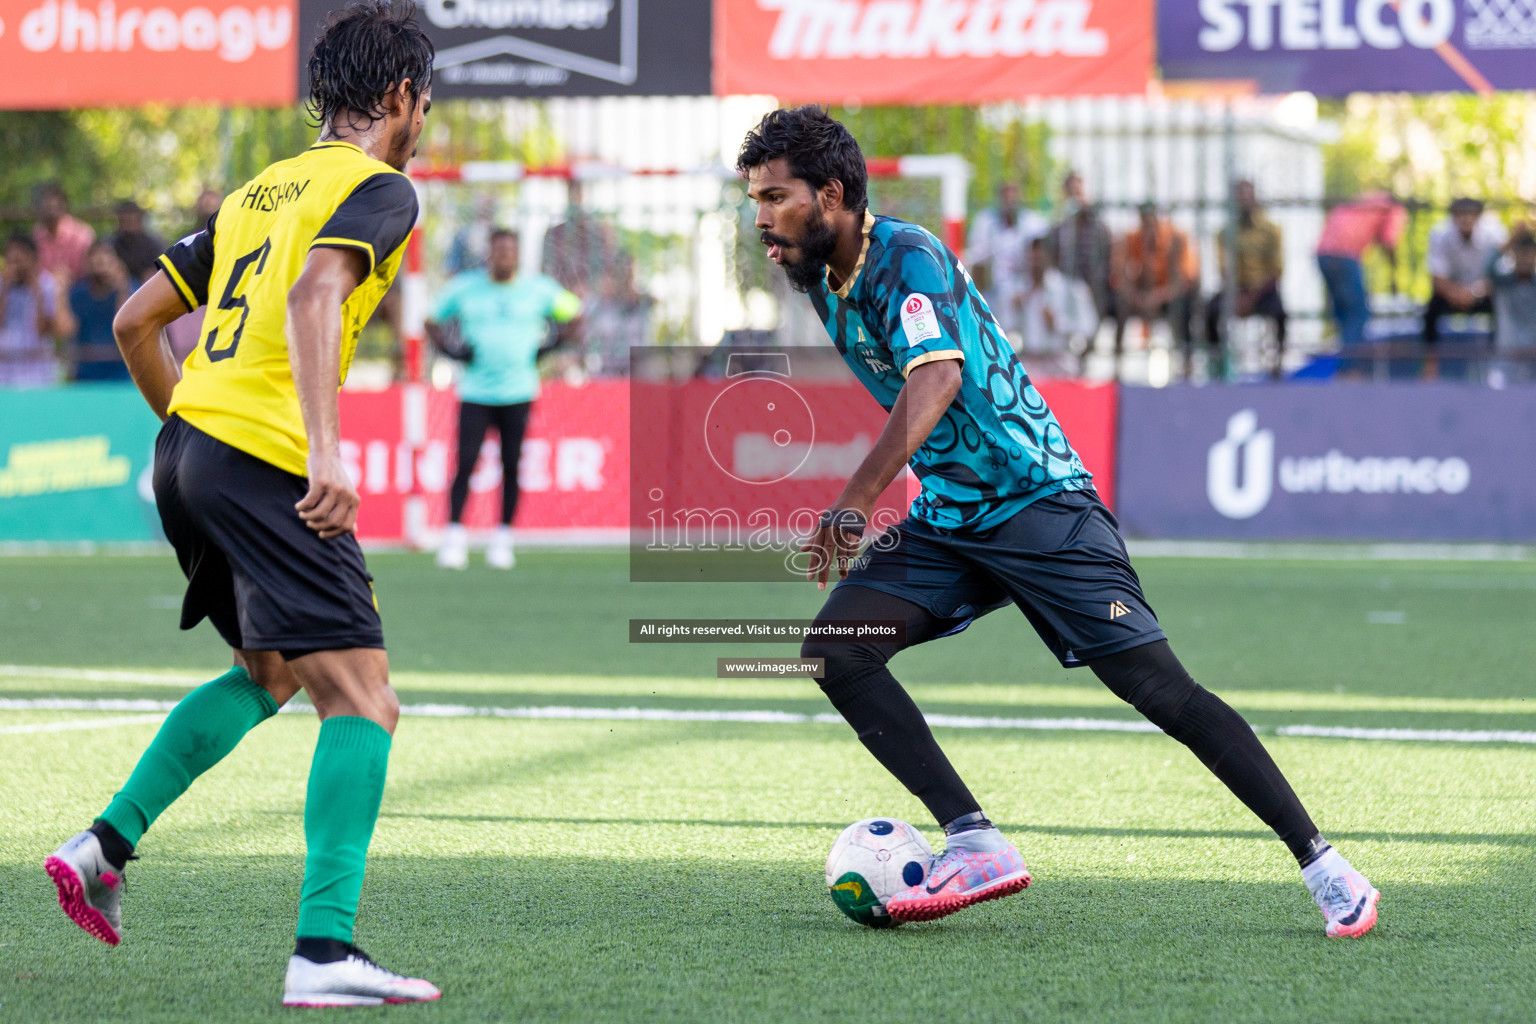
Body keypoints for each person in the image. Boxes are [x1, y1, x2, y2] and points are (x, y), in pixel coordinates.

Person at [740, 105, 1379, 938]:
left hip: (1042, 507)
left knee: (1159, 691)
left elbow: (934, 380)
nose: (760, 218)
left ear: (832, 194)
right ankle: (976, 842)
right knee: (836, 649)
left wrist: (857, 500)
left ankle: (1327, 866)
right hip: (954, 520)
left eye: (775, 197)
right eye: (753, 199)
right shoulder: (824, 281)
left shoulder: (909, 255)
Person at [42, 1, 442, 1007]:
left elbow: (140, 322)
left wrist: (197, 434)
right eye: (425, 101)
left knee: (269, 673)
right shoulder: (382, 186)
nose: (424, 118)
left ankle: (104, 844)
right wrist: (325, 453)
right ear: (400, 97)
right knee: (364, 697)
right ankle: (323, 950)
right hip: (265, 459)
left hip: (187, 450)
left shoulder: (261, 189)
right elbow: (315, 296)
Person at [428, 228, 582, 570]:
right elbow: (431, 318)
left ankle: (503, 538)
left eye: (510, 251)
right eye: (498, 251)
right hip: (476, 391)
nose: (504, 257)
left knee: (511, 464)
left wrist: (551, 346)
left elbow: (576, 313)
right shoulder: (466, 289)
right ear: (490, 254)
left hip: (519, 391)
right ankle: (454, 537)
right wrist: (450, 350)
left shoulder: (537, 289)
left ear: (518, 255)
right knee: (465, 462)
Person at [1206, 179, 1286, 379]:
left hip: (1262, 290)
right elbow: (1224, 269)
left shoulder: (1271, 230)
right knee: (1209, 312)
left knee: (1280, 313)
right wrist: (1237, 296)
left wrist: (1251, 297)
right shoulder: (1225, 232)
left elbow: (1275, 269)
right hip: (1235, 289)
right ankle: (1217, 362)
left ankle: (1277, 364)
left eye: (1247, 196)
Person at [1111, 201, 1198, 374]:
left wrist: (1157, 297)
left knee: (1185, 306)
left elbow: (1185, 280)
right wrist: (1137, 297)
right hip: (1139, 297)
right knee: (1118, 304)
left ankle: (1186, 363)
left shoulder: (1176, 238)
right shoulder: (1130, 240)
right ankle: (1117, 364)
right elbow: (1118, 276)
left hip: (1168, 298)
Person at [1424, 197, 1506, 378]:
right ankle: (1430, 364)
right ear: (1453, 217)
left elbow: (1499, 277)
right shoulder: (1439, 234)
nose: (1466, 219)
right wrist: (1457, 294)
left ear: (1478, 217)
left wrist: (1474, 293)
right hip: (1451, 293)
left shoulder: (1495, 234)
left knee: (1501, 308)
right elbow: (1437, 279)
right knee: (1430, 310)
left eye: (1470, 214)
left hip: (1482, 293)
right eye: (1461, 214)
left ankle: (1497, 364)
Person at [1315, 191, 1404, 350]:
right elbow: (1389, 242)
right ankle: (1348, 366)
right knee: (1359, 313)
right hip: (1346, 256)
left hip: (1323, 255)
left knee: (1342, 312)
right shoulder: (1391, 208)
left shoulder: (1363, 200)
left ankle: (1341, 360)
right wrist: (1394, 276)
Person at [966, 182, 1047, 340]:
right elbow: (978, 263)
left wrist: (1027, 293)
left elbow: (1040, 263)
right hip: (994, 293)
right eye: (1006, 196)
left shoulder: (1033, 223)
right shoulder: (985, 222)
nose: (1010, 200)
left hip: (1028, 292)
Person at [0, 233, 72, 386]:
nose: (16, 266)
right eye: (11, 261)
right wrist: (5, 289)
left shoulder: (47, 285)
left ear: (32, 258)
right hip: (4, 365)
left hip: (36, 367)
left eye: (20, 261)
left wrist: (36, 291)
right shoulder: (2, 284)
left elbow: (43, 330)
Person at [1018, 235, 1097, 375]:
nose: (1035, 264)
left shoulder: (1071, 289)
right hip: (1027, 364)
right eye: (1032, 259)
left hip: (1060, 364)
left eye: (1039, 259)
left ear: (1050, 258)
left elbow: (1088, 328)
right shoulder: (1019, 290)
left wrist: (1058, 322)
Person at [1045, 171, 1113, 333]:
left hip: (1092, 284)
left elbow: (1106, 254)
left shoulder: (1096, 224)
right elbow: (1050, 252)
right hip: (1064, 283)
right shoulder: (1060, 224)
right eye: (1071, 191)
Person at [67, 242, 135, 381]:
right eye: (95, 256)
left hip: (122, 373)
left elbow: (127, 327)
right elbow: (67, 331)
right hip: (86, 374)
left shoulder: (132, 289)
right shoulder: (77, 294)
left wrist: (122, 287)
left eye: (106, 256)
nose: (100, 260)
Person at [1486, 229, 1536, 385]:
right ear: (1514, 255)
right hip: (1505, 359)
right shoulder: (1502, 284)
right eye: (1522, 254)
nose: (1526, 259)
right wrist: (1510, 241)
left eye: (1530, 254)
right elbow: (1487, 269)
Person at [33, 182, 96, 282]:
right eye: (46, 204)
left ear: (64, 205)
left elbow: (89, 270)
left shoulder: (82, 234)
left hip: (77, 287)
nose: (50, 207)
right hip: (45, 290)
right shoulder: (36, 236)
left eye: (53, 204)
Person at [108, 200, 166, 283]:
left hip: (148, 285)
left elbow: (160, 270)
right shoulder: (111, 244)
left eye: (131, 219)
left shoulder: (153, 244)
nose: (128, 223)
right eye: (124, 220)